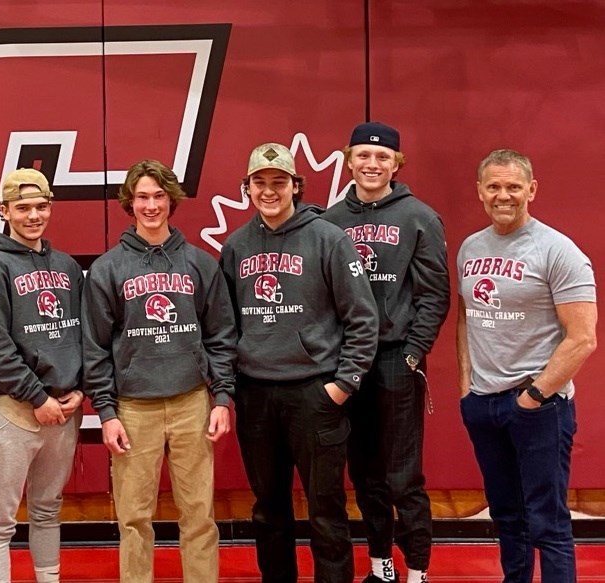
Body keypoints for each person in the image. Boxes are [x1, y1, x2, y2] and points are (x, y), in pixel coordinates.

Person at [220, 143, 378, 583]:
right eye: (259, 183)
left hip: (315, 393)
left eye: (278, 182)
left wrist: (343, 383)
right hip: (256, 395)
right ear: (247, 188)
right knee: (268, 510)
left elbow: (363, 317)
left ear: (295, 186)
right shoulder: (235, 247)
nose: (269, 191)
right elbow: (225, 324)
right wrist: (232, 384)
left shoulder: (328, 238)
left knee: (325, 510)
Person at [82, 159, 237, 583]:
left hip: (191, 402)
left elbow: (221, 335)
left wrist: (221, 397)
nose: (151, 206)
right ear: (129, 204)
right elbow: (94, 346)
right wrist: (107, 412)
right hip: (133, 409)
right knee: (133, 518)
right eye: (142, 198)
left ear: (172, 200)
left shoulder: (200, 264)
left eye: (159, 196)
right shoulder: (108, 269)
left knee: (200, 515)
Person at [457, 149, 596, 583]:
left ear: (531, 190)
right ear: (480, 190)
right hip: (484, 405)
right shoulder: (470, 248)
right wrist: (467, 387)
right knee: (507, 517)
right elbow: (464, 316)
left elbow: (583, 338)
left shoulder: (558, 250)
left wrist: (533, 397)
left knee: (548, 523)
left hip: (540, 408)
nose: (504, 195)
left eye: (513, 187)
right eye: (494, 186)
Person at [322, 122, 449, 583]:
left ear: (396, 163)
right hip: (348, 362)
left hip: (397, 357)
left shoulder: (419, 217)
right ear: (348, 160)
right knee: (365, 471)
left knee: (403, 476)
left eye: (381, 158)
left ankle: (417, 570)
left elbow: (436, 295)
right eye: (362, 156)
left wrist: (415, 352)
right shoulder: (330, 221)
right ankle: (381, 566)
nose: (371, 165)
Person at [0, 168, 84, 583]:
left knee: (47, 509)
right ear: (4, 211)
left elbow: (83, 335)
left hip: (63, 410)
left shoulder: (68, 267)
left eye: (40, 206)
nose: (33, 215)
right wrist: (38, 398)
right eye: (22, 208)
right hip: (14, 410)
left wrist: (80, 389)